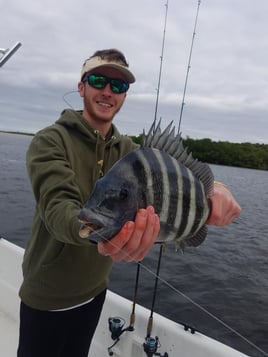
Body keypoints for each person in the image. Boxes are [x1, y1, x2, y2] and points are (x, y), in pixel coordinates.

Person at [17, 48, 241, 357]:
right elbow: (57, 206)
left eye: (118, 86)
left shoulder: (130, 152)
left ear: (124, 96)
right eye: (98, 80)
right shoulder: (50, 141)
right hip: (47, 297)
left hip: (95, 293)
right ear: (82, 87)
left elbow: (176, 174)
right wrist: (89, 228)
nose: (108, 91)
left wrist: (216, 188)